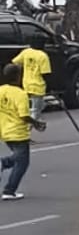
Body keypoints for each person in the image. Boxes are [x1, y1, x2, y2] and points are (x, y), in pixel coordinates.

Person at [0, 64, 44, 200]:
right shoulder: (20, 94)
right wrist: (36, 123)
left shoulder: (1, 90)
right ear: (18, 76)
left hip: (4, 131)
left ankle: (4, 165)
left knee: (19, 158)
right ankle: (9, 190)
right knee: (22, 162)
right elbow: (23, 115)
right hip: (18, 132)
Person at [12, 32, 51, 126]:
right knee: (36, 110)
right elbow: (45, 73)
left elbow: (15, 62)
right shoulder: (43, 56)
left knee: (35, 106)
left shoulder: (26, 52)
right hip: (38, 86)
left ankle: (35, 121)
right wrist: (50, 86)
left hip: (26, 84)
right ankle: (29, 127)